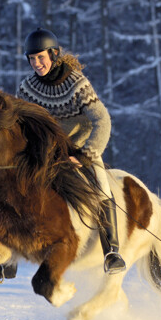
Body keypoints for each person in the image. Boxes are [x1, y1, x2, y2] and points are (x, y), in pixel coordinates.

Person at [16, 27, 126, 275]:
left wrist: (86, 155)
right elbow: (19, 125)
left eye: (41, 57)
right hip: (46, 154)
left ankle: (112, 251)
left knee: (102, 186)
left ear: (54, 54)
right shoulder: (26, 88)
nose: (36, 63)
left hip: (79, 151)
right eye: (31, 59)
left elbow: (103, 121)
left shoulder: (77, 84)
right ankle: (9, 258)